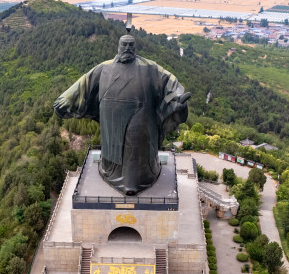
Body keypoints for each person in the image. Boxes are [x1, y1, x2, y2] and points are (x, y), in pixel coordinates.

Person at [54, 34, 190, 195]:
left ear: (135, 48)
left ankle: (138, 181)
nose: (127, 49)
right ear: (118, 46)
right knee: (114, 151)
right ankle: (112, 175)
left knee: (136, 152)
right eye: (124, 45)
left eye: (131, 45)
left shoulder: (150, 68)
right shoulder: (104, 67)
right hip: (111, 123)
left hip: (141, 120)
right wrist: (67, 98)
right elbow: (84, 84)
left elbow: (170, 82)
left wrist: (176, 97)